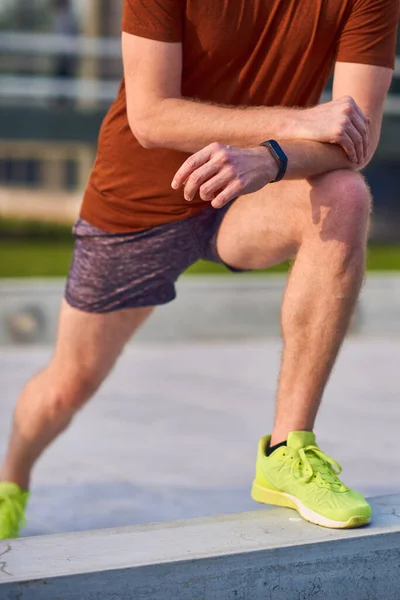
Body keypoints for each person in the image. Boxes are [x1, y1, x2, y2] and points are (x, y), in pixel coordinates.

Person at [0, 0, 398, 539]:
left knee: (345, 196)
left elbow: (358, 138)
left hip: (252, 190)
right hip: (137, 206)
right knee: (68, 385)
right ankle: (10, 483)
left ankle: (288, 449)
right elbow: (151, 115)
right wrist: (289, 122)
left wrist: (272, 157)